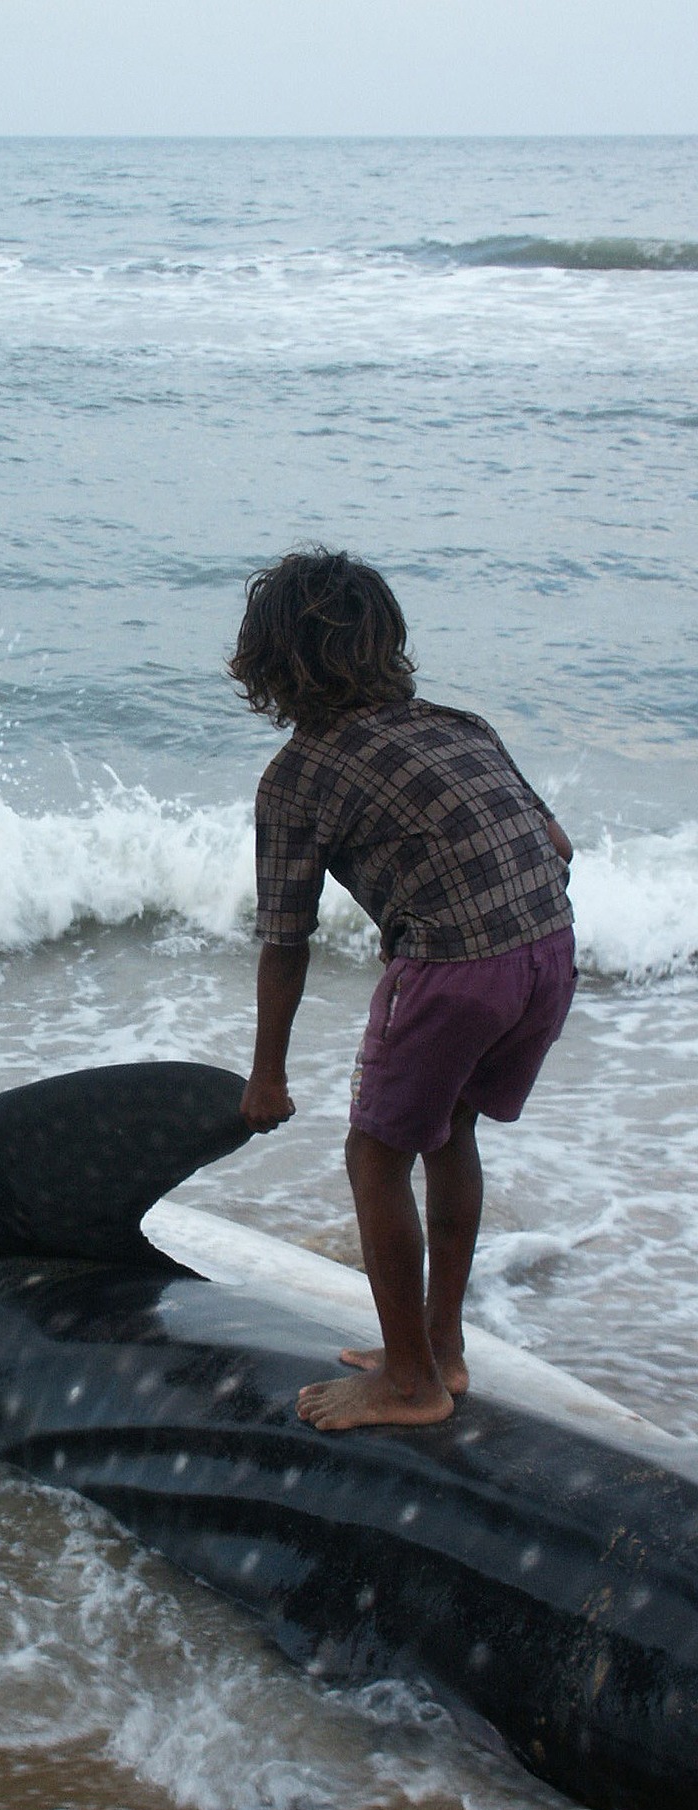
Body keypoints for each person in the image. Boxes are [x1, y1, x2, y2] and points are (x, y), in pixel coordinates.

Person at [229, 549, 576, 1432]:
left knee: (374, 1155)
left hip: (455, 972)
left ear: (269, 666)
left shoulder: (296, 778)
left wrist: (266, 1077)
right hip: (548, 950)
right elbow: (559, 844)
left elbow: (284, 941)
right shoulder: (460, 723)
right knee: (449, 1128)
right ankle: (439, 1350)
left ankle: (410, 1386)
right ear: (388, 641)